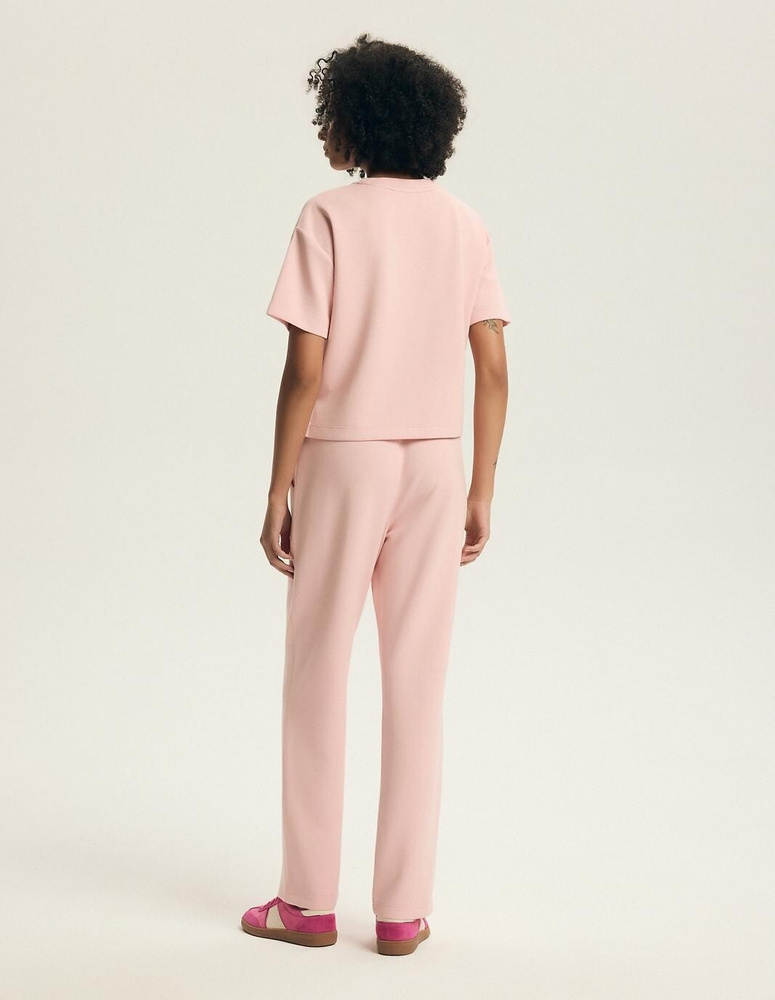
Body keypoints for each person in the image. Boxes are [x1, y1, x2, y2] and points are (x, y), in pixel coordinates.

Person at [241, 32, 510, 956]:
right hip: (435, 462)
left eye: (328, 115)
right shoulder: (464, 224)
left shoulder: (326, 216)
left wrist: (277, 487)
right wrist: (480, 486)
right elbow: (493, 366)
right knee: (417, 685)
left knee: (317, 672)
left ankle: (306, 903)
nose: (323, 131)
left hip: (344, 460)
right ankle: (401, 913)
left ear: (355, 121)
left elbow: (304, 369)